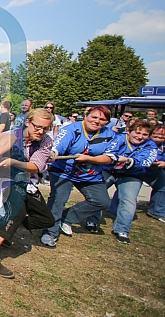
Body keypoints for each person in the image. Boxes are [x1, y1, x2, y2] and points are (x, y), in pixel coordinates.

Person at [0, 108, 55, 278]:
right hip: (7, 179)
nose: (41, 131)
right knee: (17, 210)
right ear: (28, 122)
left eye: (45, 128)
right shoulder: (11, 136)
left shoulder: (46, 141)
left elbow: (36, 166)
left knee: (46, 219)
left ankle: (3, 227)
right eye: (37, 127)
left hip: (28, 181)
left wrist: (15, 162)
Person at [40, 106, 116, 247]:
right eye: (94, 117)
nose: (97, 121)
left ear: (107, 122)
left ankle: (66, 217)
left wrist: (89, 159)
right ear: (86, 115)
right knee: (57, 200)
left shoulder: (110, 135)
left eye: (102, 119)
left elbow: (110, 157)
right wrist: (53, 154)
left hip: (90, 174)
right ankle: (49, 232)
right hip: (63, 171)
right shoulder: (70, 129)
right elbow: (58, 146)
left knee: (102, 201)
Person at [84, 121, 159, 244]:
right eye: (137, 132)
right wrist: (115, 159)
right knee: (98, 195)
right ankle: (92, 220)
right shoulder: (118, 138)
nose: (140, 136)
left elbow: (147, 160)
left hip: (132, 174)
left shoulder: (151, 145)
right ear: (129, 131)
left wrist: (130, 160)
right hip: (108, 171)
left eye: (145, 134)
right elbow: (109, 152)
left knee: (129, 201)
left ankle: (122, 229)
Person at [146, 125, 165, 223]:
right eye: (155, 133)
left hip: (155, 170)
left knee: (163, 185)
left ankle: (156, 211)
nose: (159, 136)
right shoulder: (143, 142)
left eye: (162, 134)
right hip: (138, 169)